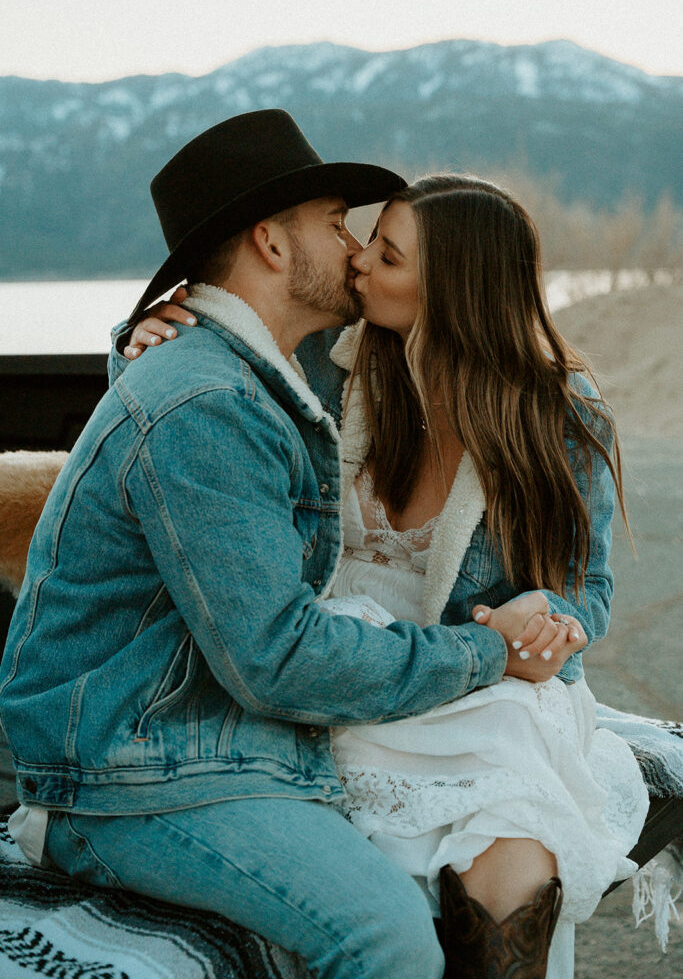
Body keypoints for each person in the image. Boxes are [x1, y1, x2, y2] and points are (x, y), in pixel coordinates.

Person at [0, 112, 568, 979]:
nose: (352, 248)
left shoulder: (249, 377)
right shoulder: (207, 400)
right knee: (386, 936)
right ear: (270, 242)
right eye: (335, 222)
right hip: (134, 772)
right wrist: (483, 652)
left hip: (205, 743)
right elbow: (277, 657)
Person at [127, 173, 649, 977]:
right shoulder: (321, 364)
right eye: (366, 239)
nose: (358, 264)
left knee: (513, 805)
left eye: (388, 255)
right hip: (330, 667)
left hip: (476, 676)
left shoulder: (560, 411)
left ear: (454, 293)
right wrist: (141, 339)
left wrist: (553, 626)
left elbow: (588, 594)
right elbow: (187, 436)